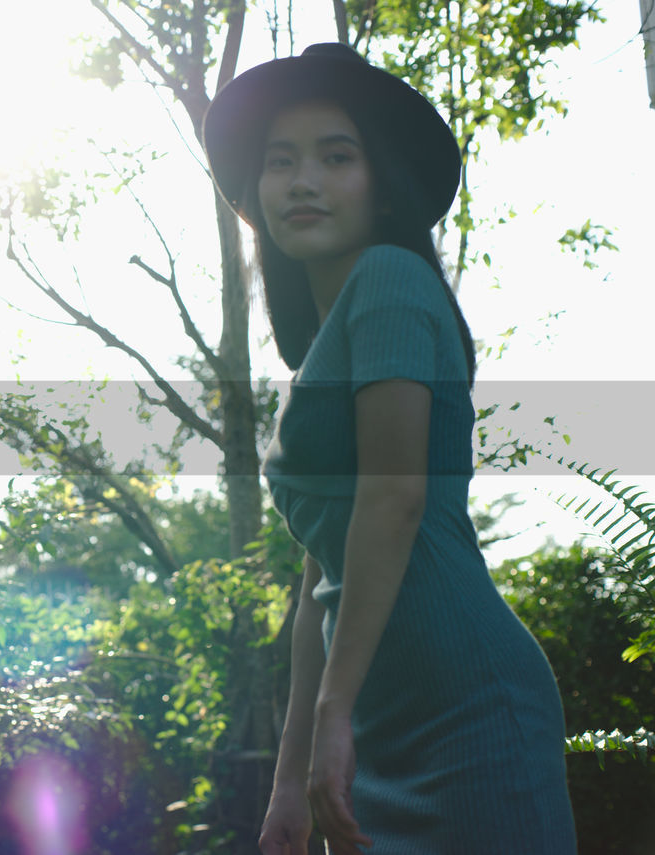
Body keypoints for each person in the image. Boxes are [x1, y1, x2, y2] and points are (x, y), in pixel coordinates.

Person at [202, 43, 576, 854]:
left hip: (465, 709)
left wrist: (336, 717)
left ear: (383, 184)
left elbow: (395, 497)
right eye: (281, 161)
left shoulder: (391, 279)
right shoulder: (319, 356)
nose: (303, 180)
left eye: (338, 156)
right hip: (376, 718)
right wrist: (289, 776)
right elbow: (320, 577)